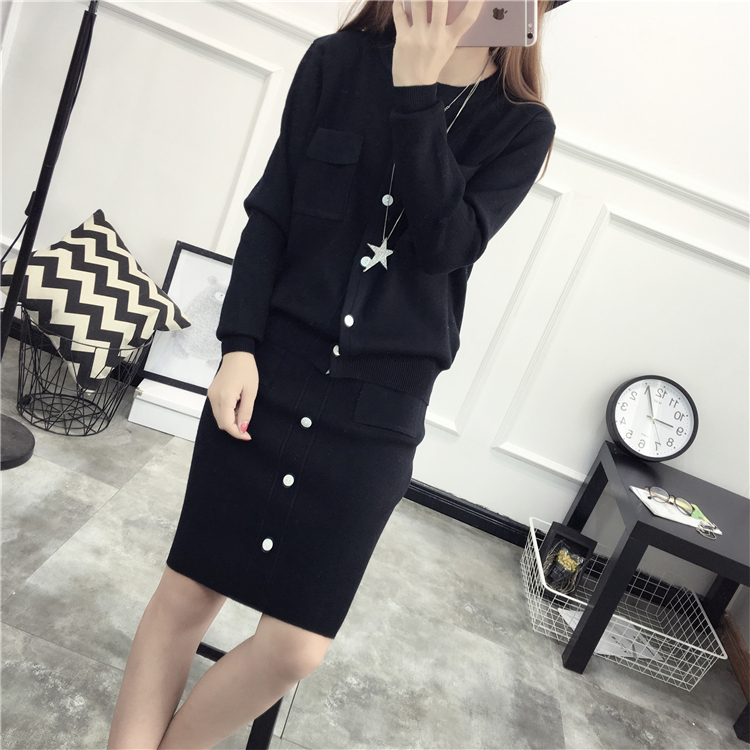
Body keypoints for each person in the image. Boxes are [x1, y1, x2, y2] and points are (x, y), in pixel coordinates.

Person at [107, 1, 565, 747]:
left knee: (295, 648)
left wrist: (415, 93)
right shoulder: (336, 61)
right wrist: (238, 345)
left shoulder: (521, 127)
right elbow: (272, 213)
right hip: (272, 369)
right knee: (187, 594)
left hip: (377, 411)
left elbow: (445, 244)